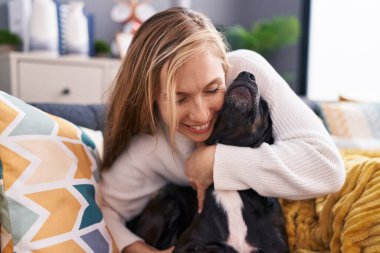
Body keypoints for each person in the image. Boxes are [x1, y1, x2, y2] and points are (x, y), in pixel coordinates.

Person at [100, 7, 345, 253]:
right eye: (180, 99)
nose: (201, 114)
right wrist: (136, 248)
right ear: (150, 96)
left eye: (212, 89)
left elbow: (327, 169)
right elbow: (105, 208)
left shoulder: (245, 74)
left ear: (225, 67)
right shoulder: (151, 146)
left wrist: (215, 162)